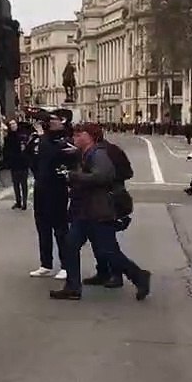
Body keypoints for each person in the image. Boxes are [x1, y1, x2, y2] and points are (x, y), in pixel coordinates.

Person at [51, 122, 151, 302]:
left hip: (98, 211)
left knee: (109, 251)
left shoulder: (98, 154)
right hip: (86, 210)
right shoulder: (87, 153)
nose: (75, 138)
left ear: (89, 136)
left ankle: (139, 276)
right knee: (70, 245)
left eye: (78, 134)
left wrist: (74, 176)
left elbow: (103, 176)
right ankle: (73, 287)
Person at [26, 110, 74, 280]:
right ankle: (45, 263)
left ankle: (66, 265)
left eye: (53, 120)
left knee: (60, 229)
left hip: (57, 188)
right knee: (42, 227)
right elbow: (31, 157)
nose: (51, 123)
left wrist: (42, 138)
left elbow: (52, 154)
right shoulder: (40, 139)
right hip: (42, 187)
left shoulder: (64, 138)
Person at [4, 119, 31, 209]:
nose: (13, 126)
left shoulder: (23, 135)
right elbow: (6, 150)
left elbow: (28, 148)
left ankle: (24, 202)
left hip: (23, 163)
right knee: (16, 184)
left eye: (14, 124)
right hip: (14, 163)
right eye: (11, 125)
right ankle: (18, 201)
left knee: (23, 184)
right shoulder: (8, 137)